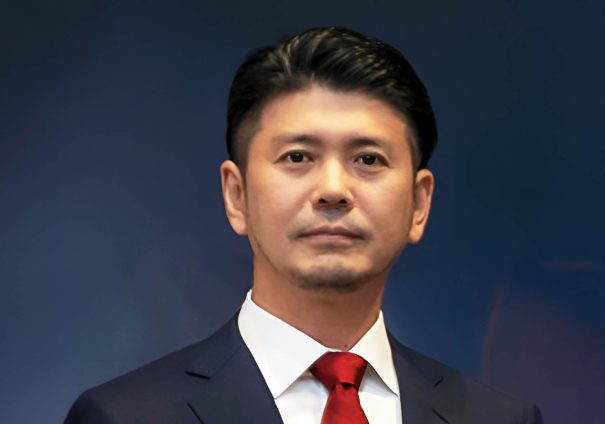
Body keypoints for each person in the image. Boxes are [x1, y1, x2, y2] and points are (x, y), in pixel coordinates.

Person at [65, 26, 542, 423]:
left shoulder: (500, 419)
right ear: (236, 195)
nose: (333, 189)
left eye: (368, 159)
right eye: (297, 157)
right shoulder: (123, 416)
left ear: (419, 204)